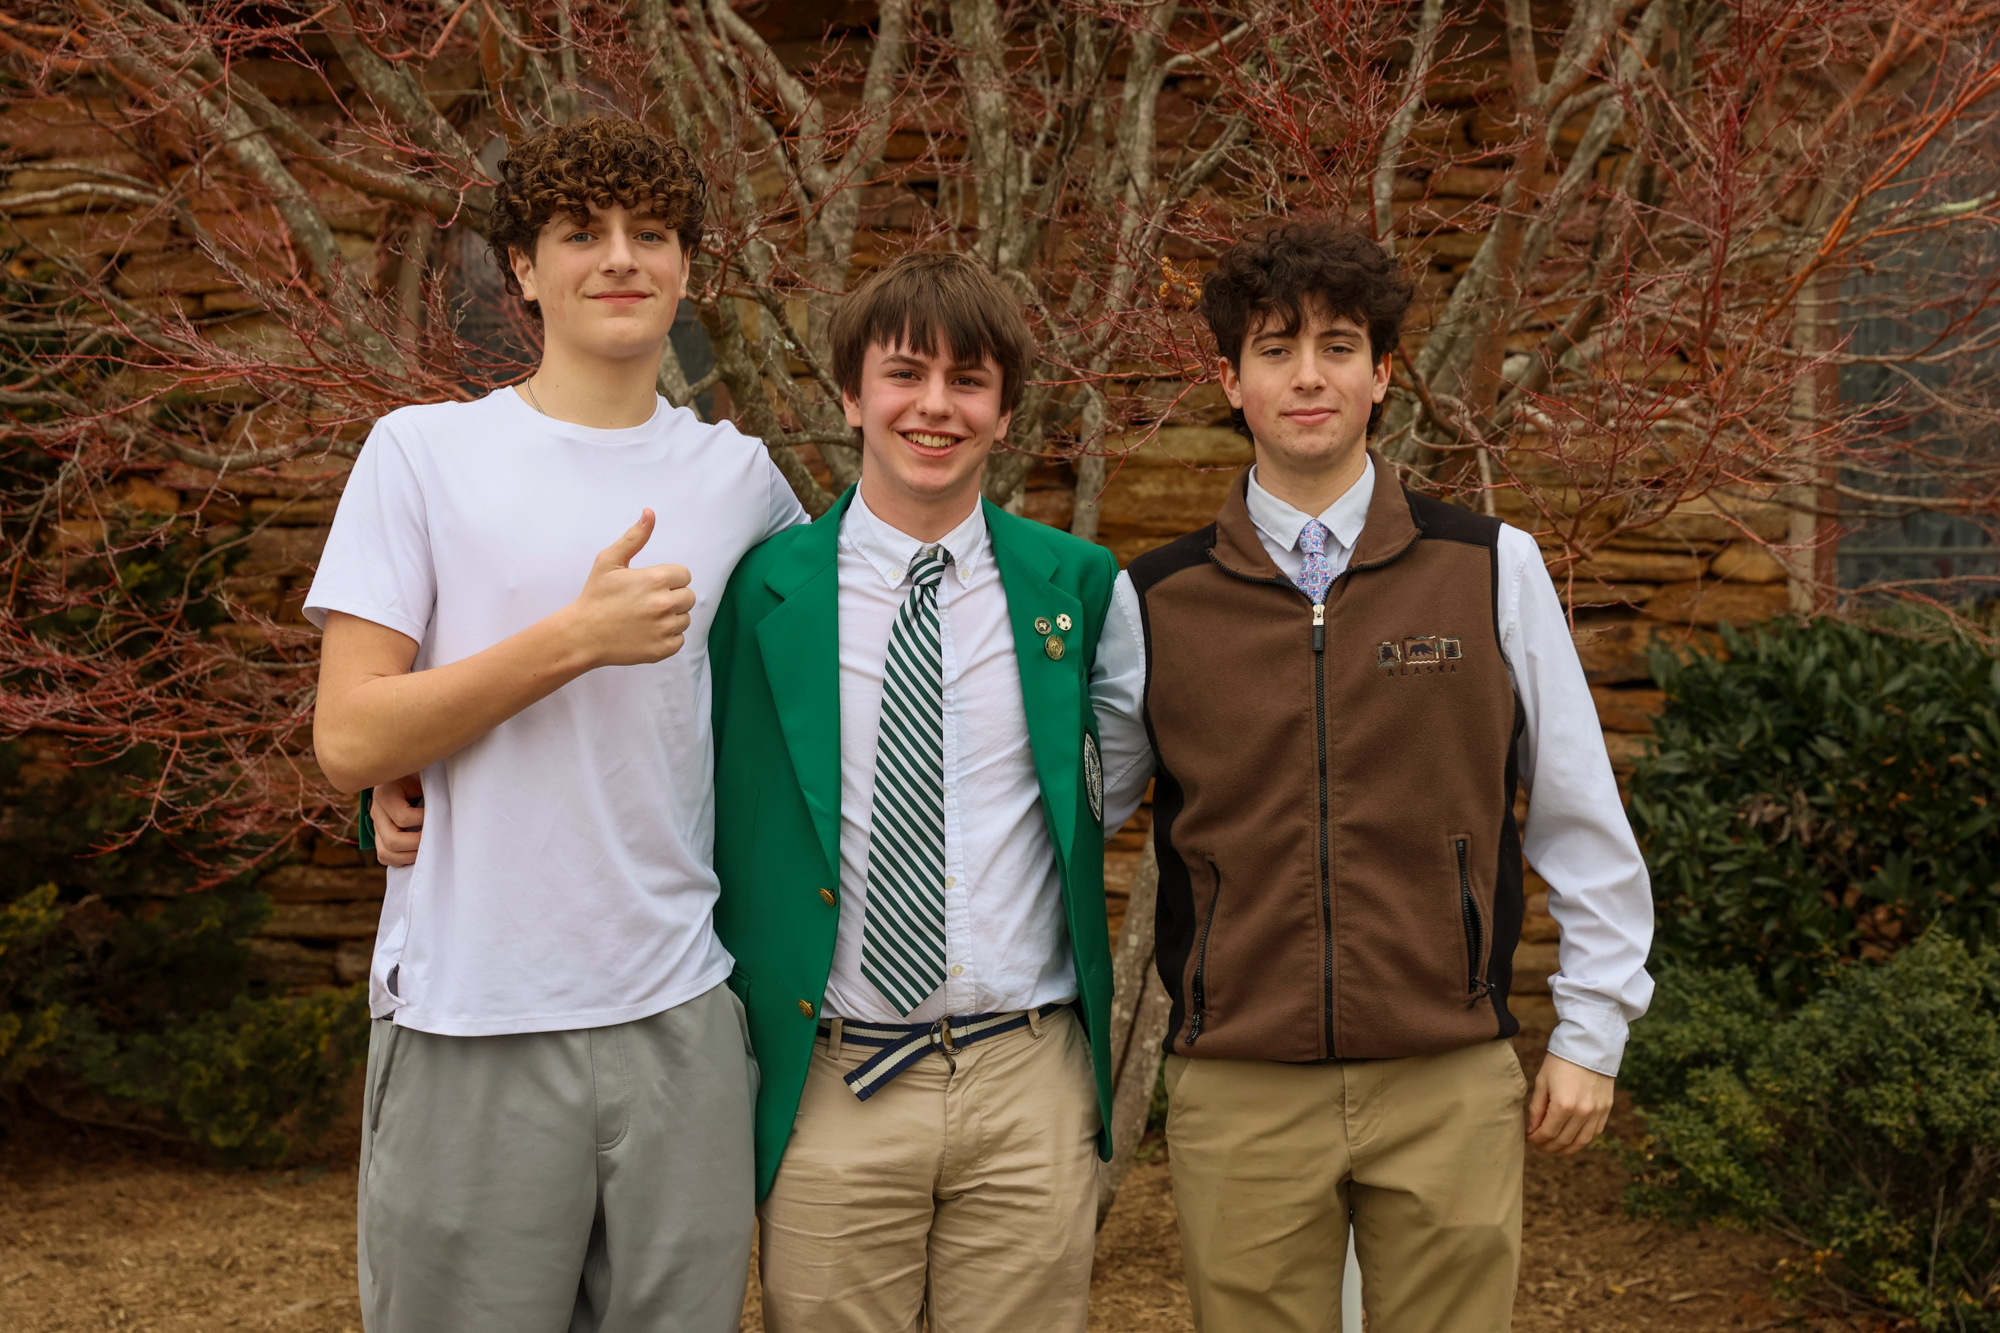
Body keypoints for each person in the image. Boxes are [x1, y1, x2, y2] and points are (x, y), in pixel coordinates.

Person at [1110, 221, 1655, 1331]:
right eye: (1275, 349)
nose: (1308, 376)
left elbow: (1578, 815)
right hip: (1240, 1086)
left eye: (1338, 346)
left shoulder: (1489, 567)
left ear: (1383, 374)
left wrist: (1591, 1031)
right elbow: (1074, 816)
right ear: (1232, 382)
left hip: (1445, 1075)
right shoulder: (1155, 599)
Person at [308, 116, 803, 1332]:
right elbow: (351, 737)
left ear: (686, 268)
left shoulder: (743, 483)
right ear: (523, 270)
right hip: (471, 1014)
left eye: (652, 233)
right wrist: (570, 640)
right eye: (582, 234)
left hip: (680, 1021)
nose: (620, 258)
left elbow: (813, 704)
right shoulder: (421, 454)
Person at [705, 250, 1152, 1333]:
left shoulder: (1078, 587)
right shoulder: (759, 592)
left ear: (1005, 412)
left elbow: (1116, 768)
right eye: (905, 374)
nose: (935, 406)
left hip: (1026, 1074)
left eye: (969, 381)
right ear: (851, 396)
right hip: (833, 1077)